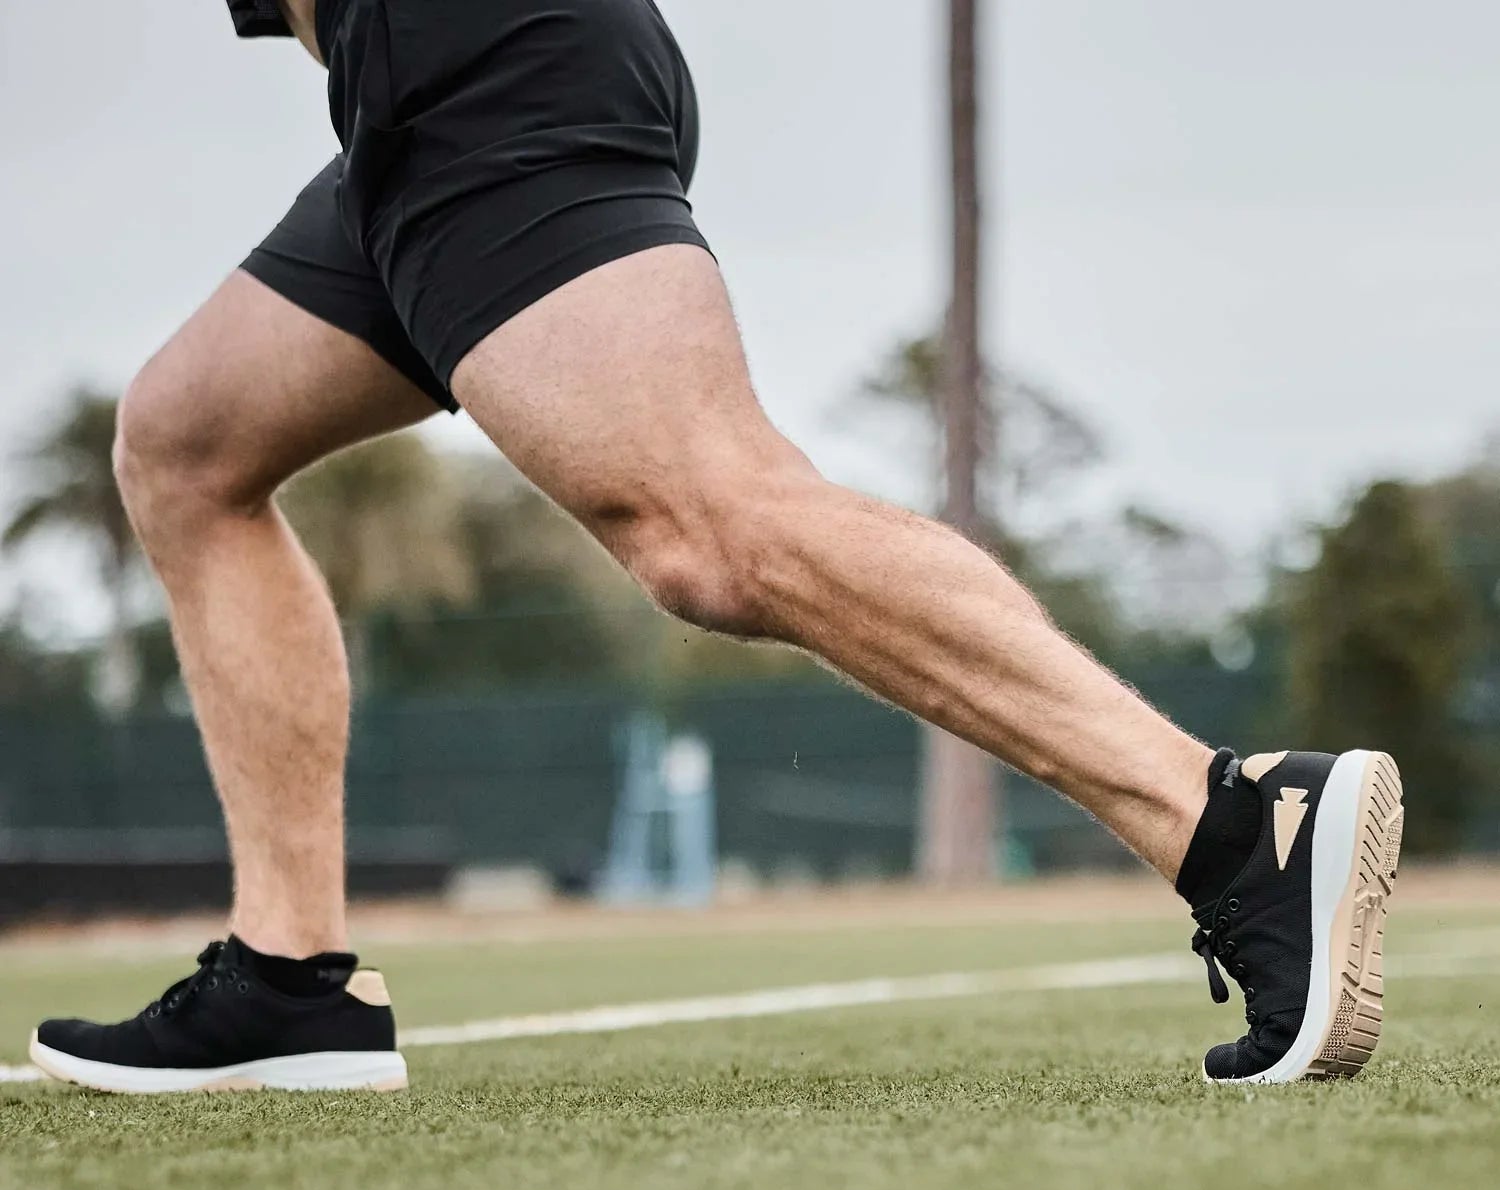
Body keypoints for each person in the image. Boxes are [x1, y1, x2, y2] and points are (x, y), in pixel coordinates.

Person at [28, 0, 1404, 1094]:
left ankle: (1232, 823)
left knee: (711, 527)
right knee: (182, 443)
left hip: (482, 56)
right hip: (404, 103)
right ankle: (287, 983)